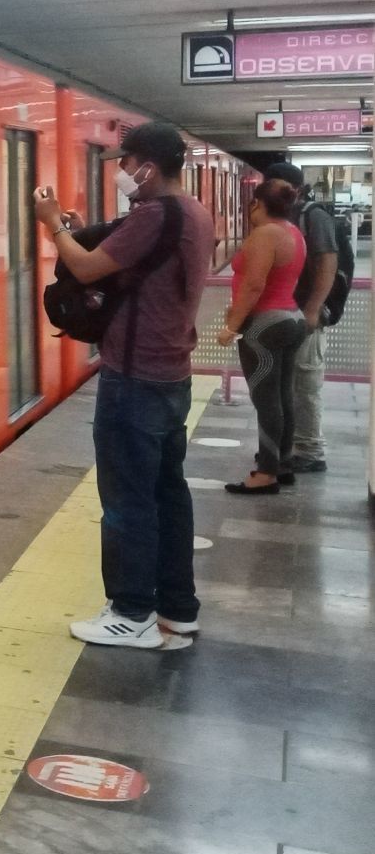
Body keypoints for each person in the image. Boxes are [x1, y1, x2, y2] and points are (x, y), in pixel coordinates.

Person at [33, 122, 213, 648]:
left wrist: (52, 225)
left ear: (149, 166)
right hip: (170, 374)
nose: (122, 172)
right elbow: (127, 262)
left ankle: (131, 612)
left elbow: (87, 269)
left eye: (126, 162)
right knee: (167, 494)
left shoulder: (157, 213)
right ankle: (178, 609)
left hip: (135, 378)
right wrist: (73, 229)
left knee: (127, 499)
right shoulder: (193, 212)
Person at [218, 179, 307, 494]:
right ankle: (282, 463)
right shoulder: (293, 233)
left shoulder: (264, 235)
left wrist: (231, 327)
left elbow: (253, 285)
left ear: (256, 203)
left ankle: (266, 472)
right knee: (283, 395)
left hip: (264, 325)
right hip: (292, 318)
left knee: (266, 399)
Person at [263, 161, 337, 476]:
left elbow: (327, 262)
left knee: (306, 384)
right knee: (285, 385)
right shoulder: (282, 217)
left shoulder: (313, 217)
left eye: (279, 185)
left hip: (306, 317)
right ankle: (286, 447)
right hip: (284, 317)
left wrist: (312, 309)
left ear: (295, 188)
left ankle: (310, 450)